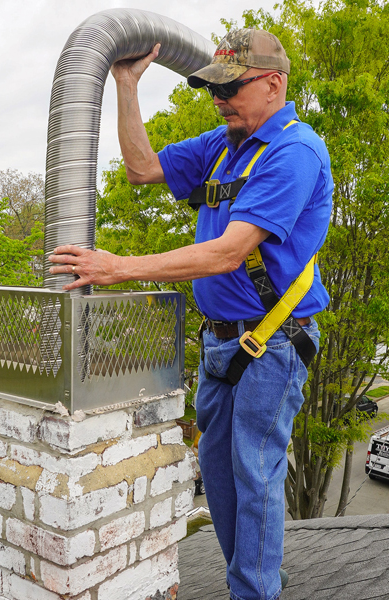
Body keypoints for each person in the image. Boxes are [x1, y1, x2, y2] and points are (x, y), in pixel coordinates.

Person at [48, 28, 332, 600]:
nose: (219, 99)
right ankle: (251, 583)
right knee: (221, 481)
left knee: (254, 475)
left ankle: (254, 593)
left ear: (274, 84)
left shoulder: (294, 152)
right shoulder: (225, 144)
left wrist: (118, 267)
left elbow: (228, 251)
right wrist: (126, 85)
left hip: (272, 344)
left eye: (232, 88)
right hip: (224, 345)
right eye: (213, 89)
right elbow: (141, 168)